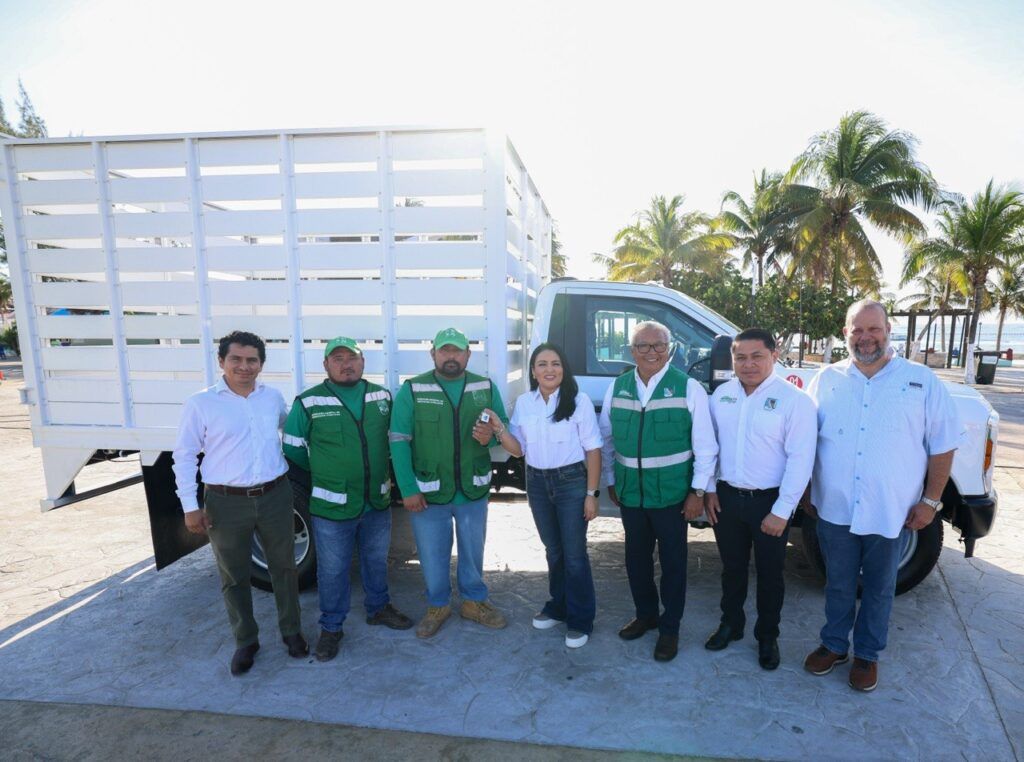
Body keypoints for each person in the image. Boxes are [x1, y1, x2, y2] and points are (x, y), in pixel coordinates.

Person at [803, 300, 961, 691]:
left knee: (879, 588)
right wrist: (805, 490)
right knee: (837, 584)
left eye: (874, 329)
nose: (866, 337)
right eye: (857, 330)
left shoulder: (921, 381)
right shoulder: (825, 379)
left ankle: (868, 655)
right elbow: (804, 439)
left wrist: (931, 502)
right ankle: (834, 644)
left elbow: (943, 445)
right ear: (845, 333)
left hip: (891, 511)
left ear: (889, 331)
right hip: (835, 507)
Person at [172, 331, 307, 676]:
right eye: (236, 359)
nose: (244, 366)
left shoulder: (272, 397)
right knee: (234, 574)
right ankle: (246, 640)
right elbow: (184, 455)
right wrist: (190, 506)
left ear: (261, 364)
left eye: (252, 360)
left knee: (285, 568)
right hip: (226, 502)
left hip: (276, 495)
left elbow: (291, 426)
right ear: (221, 361)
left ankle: (292, 631)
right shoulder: (201, 404)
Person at [282, 336, 413, 663]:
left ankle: (378, 608)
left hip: (375, 501)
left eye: (352, 358)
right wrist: (326, 472)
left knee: (375, 560)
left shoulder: (381, 397)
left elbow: (396, 440)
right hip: (332, 507)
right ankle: (331, 627)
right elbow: (293, 448)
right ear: (326, 365)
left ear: (362, 362)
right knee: (333, 570)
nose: (346, 365)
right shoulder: (309, 402)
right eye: (338, 359)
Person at [599, 321, 717, 662]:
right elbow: (606, 438)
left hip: (672, 496)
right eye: (643, 346)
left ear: (670, 349)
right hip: (631, 495)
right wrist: (611, 480)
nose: (652, 352)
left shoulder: (688, 387)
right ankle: (646, 615)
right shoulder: (618, 387)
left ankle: (670, 628)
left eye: (659, 345)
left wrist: (697, 492)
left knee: (673, 564)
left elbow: (706, 446)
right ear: (632, 351)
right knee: (636, 561)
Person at [703, 328, 817, 670]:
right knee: (732, 569)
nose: (748, 364)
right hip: (726, 497)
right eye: (740, 357)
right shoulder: (721, 396)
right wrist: (709, 489)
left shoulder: (794, 400)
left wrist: (782, 511)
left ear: (774, 355)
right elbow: (709, 446)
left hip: (769, 501)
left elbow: (801, 459)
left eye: (757, 356)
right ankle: (731, 624)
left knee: (770, 574)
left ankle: (767, 636)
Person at [389, 327, 510, 638]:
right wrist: (408, 489)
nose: (451, 356)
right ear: (433, 354)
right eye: (445, 350)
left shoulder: (485, 387)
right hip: (428, 492)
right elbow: (399, 440)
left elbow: (504, 427)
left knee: (473, 550)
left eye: (457, 350)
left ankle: (473, 602)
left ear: (468, 355)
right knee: (432, 554)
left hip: (472, 489)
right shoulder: (413, 389)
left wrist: (490, 437)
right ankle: (438, 606)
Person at [484, 342, 602, 648]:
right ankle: (558, 606)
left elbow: (593, 450)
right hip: (536, 482)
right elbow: (518, 449)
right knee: (553, 550)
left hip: (571, 482)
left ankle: (580, 619)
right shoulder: (525, 403)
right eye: (542, 364)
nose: (550, 369)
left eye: (555, 363)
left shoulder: (579, 401)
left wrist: (591, 493)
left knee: (574, 554)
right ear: (533, 372)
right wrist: (499, 429)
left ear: (564, 369)